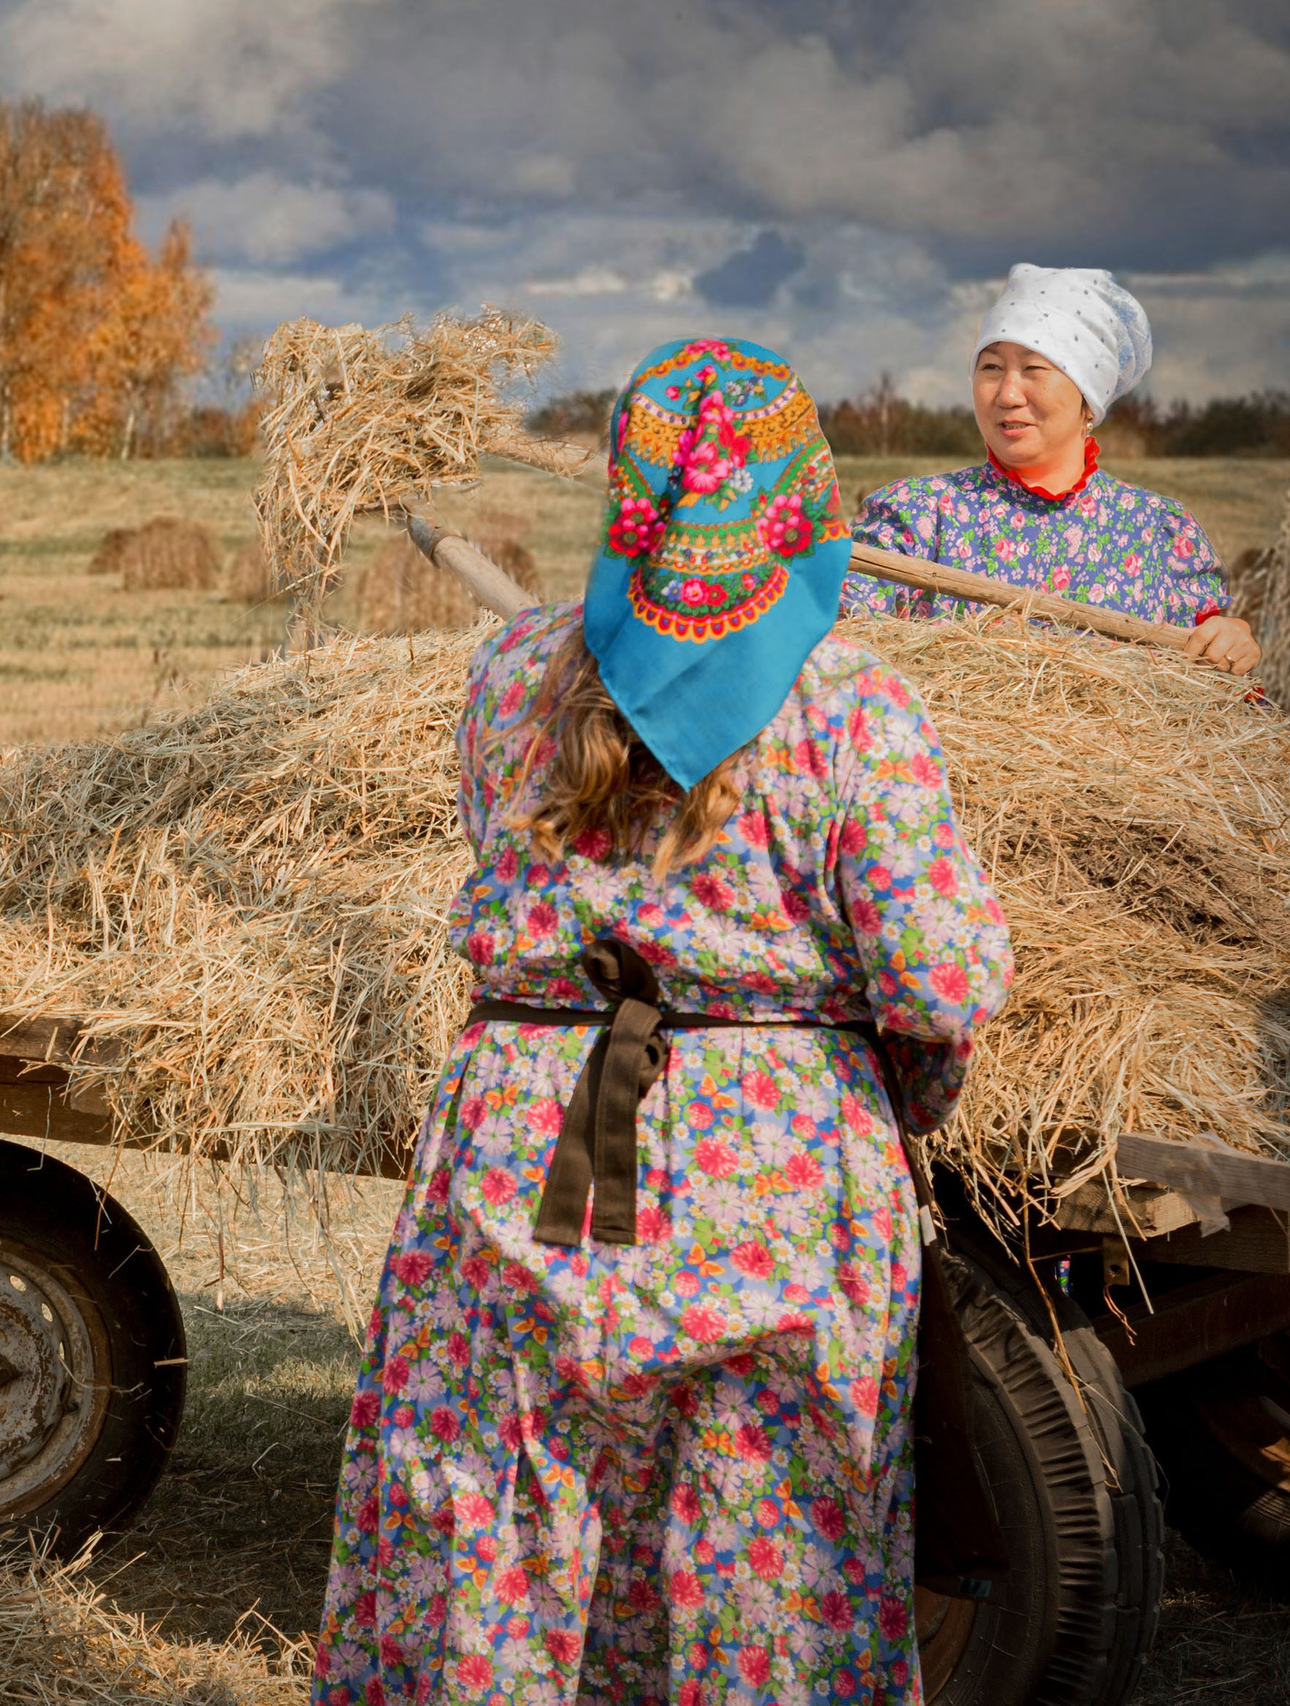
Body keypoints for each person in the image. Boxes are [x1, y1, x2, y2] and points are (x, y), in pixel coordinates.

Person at [313, 337, 1014, 1704]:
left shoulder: (507, 672)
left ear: (628, 490)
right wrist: (900, 1094)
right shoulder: (851, 701)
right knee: (764, 1572)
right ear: (799, 495)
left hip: (524, 1134)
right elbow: (940, 978)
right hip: (774, 1164)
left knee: (496, 1526)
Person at [841, 263, 1259, 674]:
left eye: (1034, 369)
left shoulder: (1160, 534)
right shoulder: (918, 516)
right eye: (990, 368)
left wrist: (1227, 641)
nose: (1007, 394)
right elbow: (837, 641)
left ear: (1088, 399)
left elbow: (1208, 691)